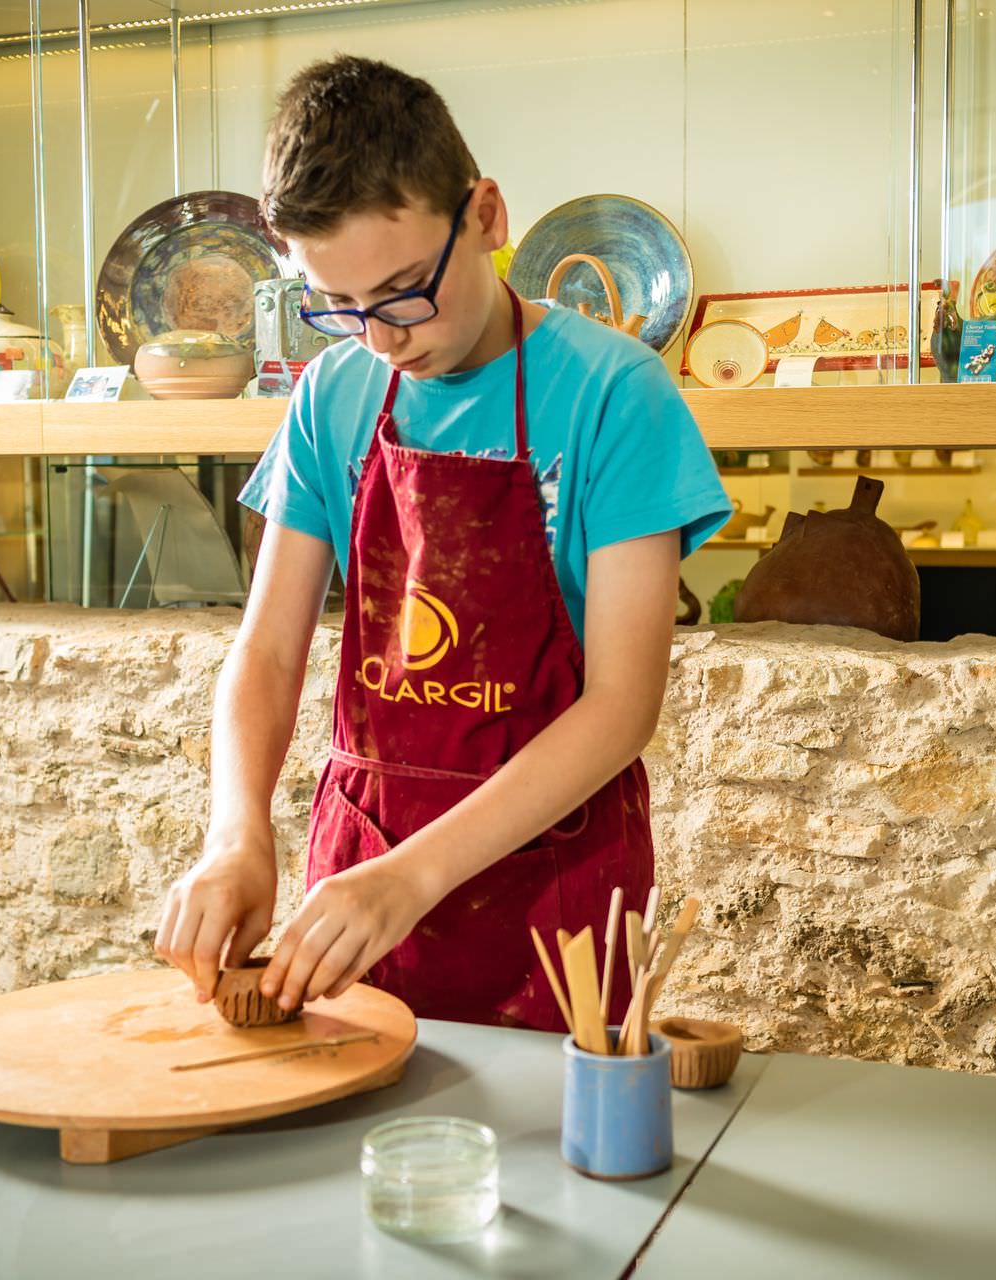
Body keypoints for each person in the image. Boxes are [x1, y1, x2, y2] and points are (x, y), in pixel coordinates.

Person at [153, 56, 731, 1031]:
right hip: (360, 879)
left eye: (402, 293)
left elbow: (624, 706)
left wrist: (411, 876)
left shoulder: (614, 394)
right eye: (334, 306)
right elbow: (268, 650)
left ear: (488, 216)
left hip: (555, 896)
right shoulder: (331, 397)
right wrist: (236, 828)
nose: (379, 339)